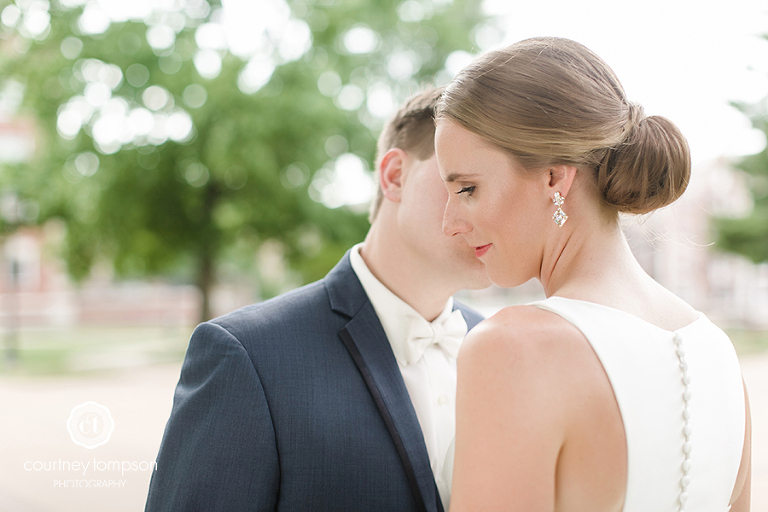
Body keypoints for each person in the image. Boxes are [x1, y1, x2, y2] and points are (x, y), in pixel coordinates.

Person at [434, 37, 752, 511]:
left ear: (554, 178)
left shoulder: (512, 348)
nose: (449, 222)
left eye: (467, 189)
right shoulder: (717, 351)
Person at [144, 87, 490, 512]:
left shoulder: (499, 348)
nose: (494, 212)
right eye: (471, 185)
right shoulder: (248, 356)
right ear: (395, 175)